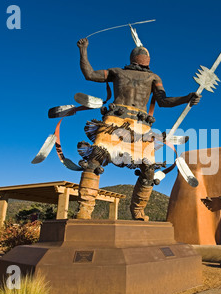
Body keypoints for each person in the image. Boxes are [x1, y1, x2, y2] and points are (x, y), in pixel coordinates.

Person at [75, 37, 201, 221]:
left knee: (149, 168)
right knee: (95, 158)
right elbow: (90, 74)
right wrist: (83, 50)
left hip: (140, 126)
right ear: (136, 57)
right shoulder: (117, 72)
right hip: (114, 121)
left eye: (146, 54)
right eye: (142, 54)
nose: (144, 56)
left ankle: (138, 211)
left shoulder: (153, 77)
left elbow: (164, 101)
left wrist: (187, 97)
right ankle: (85, 209)